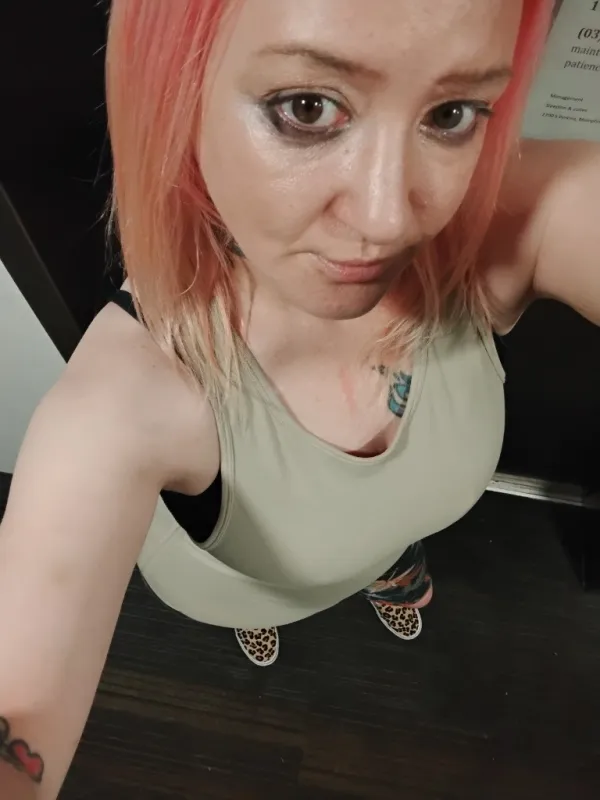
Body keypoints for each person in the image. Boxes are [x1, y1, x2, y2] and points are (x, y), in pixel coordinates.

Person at [1, 0, 599, 796]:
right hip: (237, 583)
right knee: (264, 588)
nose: (388, 217)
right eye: (308, 108)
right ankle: (264, 609)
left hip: (382, 535)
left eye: (451, 113)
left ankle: (384, 564)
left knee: (382, 540)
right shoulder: (124, 399)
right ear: (175, 94)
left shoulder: (491, 229)